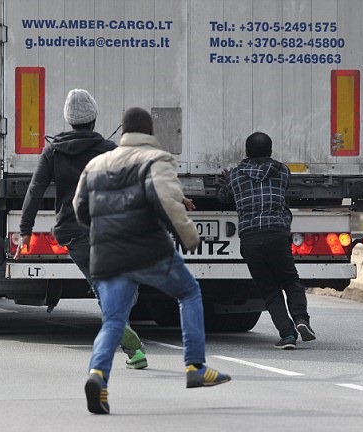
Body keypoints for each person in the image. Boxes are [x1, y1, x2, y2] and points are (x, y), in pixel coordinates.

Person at [74, 107, 231, 415]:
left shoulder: (96, 164)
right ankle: (195, 366)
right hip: (148, 249)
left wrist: (105, 234)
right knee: (189, 292)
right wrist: (189, 236)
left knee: (114, 320)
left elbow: (80, 208)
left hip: (107, 255)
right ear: (150, 132)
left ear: (123, 132)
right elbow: (167, 200)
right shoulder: (156, 159)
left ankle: (98, 376)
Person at [18, 89, 147, 369]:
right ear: (94, 118)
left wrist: (26, 230)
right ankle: (127, 338)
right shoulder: (109, 150)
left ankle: (131, 346)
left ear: (69, 120)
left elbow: (35, 190)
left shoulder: (53, 152)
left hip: (74, 232)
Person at [218, 132, 316, 350]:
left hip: (251, 238)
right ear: (270, 151)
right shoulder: (282, 171)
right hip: (277, 233)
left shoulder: (235, 176)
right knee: (291, 280)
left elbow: (224, 198)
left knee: (269, 289)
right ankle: (301, 319)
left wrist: (224, 183)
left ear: (246, 151)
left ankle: (287, 335)